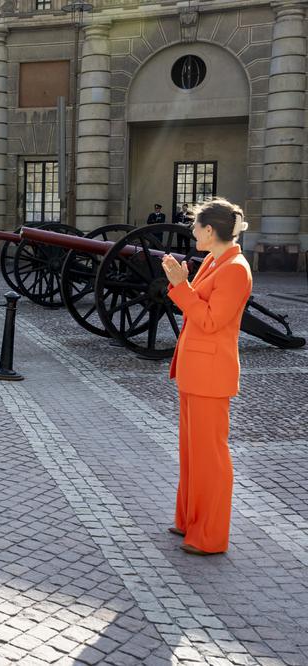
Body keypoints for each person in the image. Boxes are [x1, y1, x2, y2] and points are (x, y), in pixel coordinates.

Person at [160, 197, 252, 556]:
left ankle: (209, 536)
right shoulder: (216, 260)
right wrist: (179, 281)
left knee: (210, 457)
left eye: (195, 226)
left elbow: (212, 321)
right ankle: (189, 521)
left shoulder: (235, 268)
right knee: (191, 453)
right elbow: (197, 303)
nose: (192, 231)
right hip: (196, 370)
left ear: (210, 230)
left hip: (211, 373)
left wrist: (181, 286)